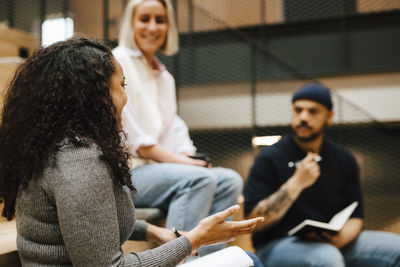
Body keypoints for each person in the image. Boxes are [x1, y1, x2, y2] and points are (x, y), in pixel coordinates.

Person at [0, 37, 264, 267]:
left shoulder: (54, 147)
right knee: (249, 260)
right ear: (98, 94)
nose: (125, 98)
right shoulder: (81, 161)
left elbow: (86, 222)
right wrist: (195, 239)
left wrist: (152, 232)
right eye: (122, 86)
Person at [112, 0, 243, 256]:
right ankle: (177, 260)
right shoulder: (117, 62)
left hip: (157, 171)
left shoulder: (165, 76)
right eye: (145, 18)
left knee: (230, 180)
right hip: (126, 173)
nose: (153, 27)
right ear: (131, 23)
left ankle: (208, 260)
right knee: (199, 179)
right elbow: (136, 141)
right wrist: (184, 164)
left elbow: (173, 127)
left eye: (160, 20)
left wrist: (187, 156)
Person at [243, 83, 400, 266]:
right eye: (298, 110)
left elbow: (355, 217)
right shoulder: (270, 157)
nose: (303, 117)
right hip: (277, 245)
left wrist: (338, 240)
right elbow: (253, 222)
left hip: (331, 242)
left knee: (396, 248)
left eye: (313, 111)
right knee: (326, 258)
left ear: (329, 116)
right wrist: (297, 183)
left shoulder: (343, 158)